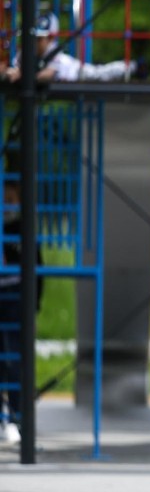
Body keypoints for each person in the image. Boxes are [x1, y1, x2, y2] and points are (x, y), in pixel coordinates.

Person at [0, 180, 43, 444]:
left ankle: (17, 416)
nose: (7, 205)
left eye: (11, 199)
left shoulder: (22, 230)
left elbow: (37, 269)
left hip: (15, 300)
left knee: (14, 360)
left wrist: (34, 303)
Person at [1, 12, 148, 83]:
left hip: (75, 72)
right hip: (62, 77)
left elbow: (47, 74)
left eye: (40, 39)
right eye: (35, 38)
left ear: (51, 38)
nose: (36, 42)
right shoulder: (26, 50)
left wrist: (23, 76)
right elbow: (13, 66)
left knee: (100, 73)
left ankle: (133, 67)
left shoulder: (54, 52)